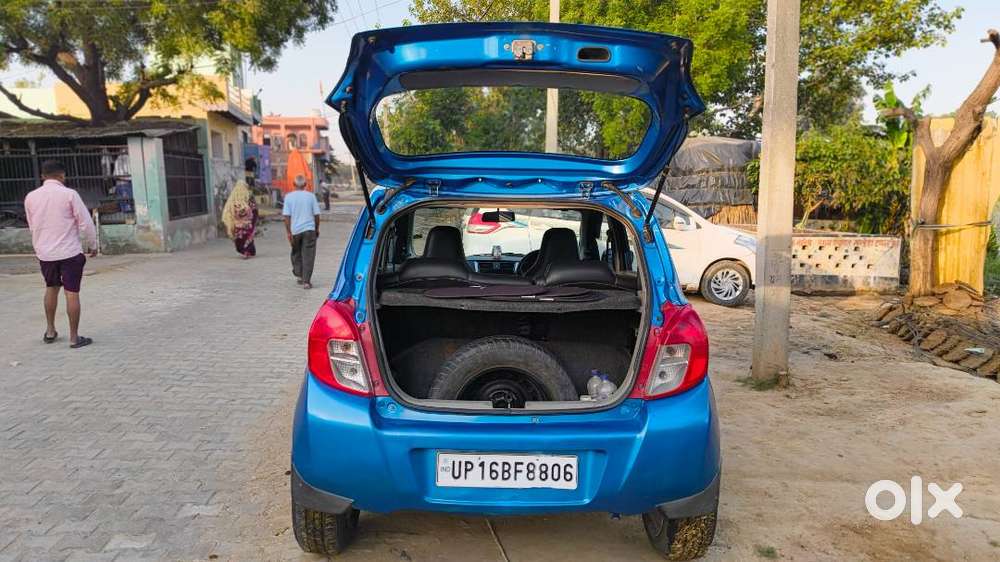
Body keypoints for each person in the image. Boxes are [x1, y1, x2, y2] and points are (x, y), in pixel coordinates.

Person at [24, 159, 98, 348]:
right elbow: (86, 223)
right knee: (71, 293)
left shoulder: (30, 197)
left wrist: (40, 247)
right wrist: (93, 244)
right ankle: (74, 338)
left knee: (51, 288)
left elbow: (32, 226)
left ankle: (50, 331)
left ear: (42, 176)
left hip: (46, 254)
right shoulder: (69, 194)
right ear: (62, 175)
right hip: (69, 252)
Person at [282, 174, 321, 289]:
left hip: (295, 231)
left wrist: (289, 232)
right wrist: (317, 229)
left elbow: (286, 217)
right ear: (305, 185)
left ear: (294, 185)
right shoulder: (311, 196)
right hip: (309, 230)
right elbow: (317, 215)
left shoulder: (288, 197)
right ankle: (306, 282)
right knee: (308, 255)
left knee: (296, 252)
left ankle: (299, 275)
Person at [221, 180, 259, 258]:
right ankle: (248, 251)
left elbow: (228, 212)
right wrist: (253, 222)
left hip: (237, 226)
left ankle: (246, 251)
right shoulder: (249, 199)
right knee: (247, 238)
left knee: (240, 241)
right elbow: (255, 211)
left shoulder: (232, 200)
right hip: (247, 225)